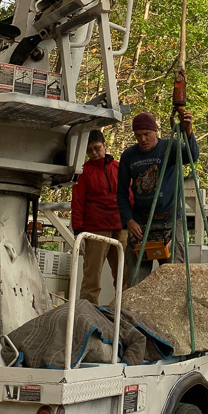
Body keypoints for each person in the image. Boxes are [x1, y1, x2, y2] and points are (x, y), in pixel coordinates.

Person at [116, 110, 199, 284]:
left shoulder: (171, 147)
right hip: (141, 224)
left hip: (170, 221)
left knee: (174, 277)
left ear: (155, 132)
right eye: (138, 135)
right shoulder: (128, 156)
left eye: (147, 134)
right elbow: (121, 194)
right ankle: (135, 311)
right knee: (135, 280)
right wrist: (128, 221)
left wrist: (188, 132)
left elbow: (192, 156)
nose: (143, 139)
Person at [71, 129, 126, 305]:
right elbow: (78, 201)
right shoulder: (84, 171)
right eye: (90, 151)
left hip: (121, 226)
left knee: (124, 275)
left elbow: (129, 195)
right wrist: (78, 227)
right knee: (92, 276)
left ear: (105, 145)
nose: (94, 153)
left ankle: (123, 309)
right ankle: (87, 310)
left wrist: (132, 219)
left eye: (97, 148)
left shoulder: (119, 168)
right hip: (96, 228)